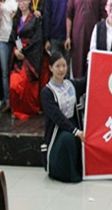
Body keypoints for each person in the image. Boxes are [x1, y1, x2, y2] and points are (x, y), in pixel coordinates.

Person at [41, 51, 86, 183]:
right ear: (50, 68)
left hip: (73, 123)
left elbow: (87, 81)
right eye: (57, 66)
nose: (61, 69)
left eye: (64, 66)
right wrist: (75, 131)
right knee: (68, 138)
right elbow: (57, 117)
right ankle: (67, 173)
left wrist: (93, 61)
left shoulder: (70, 85)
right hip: (58, 129)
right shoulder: (47, 92)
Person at [65, 0, 106, 77]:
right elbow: (69, 15)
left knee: (93, 67)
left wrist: (100, 37)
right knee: (77, 67)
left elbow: (104, 16)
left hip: (93, 36)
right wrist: (68, 37)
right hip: (77, 37)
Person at [9, 0, 45, 119]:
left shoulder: (35, 18)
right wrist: (16, 50)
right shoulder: (16, 19)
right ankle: (17, 109)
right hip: (18, 55)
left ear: (29, 0)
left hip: (31, 55)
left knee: (26, 82)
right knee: (14, 83)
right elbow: (14, 37)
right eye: (19, 1)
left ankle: (30, 109)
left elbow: (37, 39)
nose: (22, 3)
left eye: (24, 0)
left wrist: (25, 52)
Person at [44, 0, 76, 69]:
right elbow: (47, 15)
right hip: (54, 37)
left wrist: (70, 36)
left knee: (67, 69)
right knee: (56, 68)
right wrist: (46, 39)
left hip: (70, 37)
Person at [0, 0, 18, 110]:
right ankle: (7, 100)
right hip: (2, 37)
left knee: (16, 70)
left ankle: (16, 100)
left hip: (16, 38)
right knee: (4, 71)